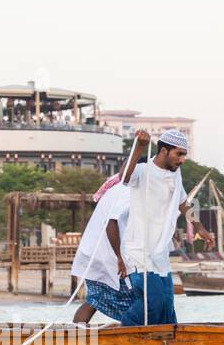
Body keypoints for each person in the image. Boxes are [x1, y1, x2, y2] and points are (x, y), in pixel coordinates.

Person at [115, 129, 191, 327]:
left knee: (166, 305)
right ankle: (125, 334)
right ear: (164, 151)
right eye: (179, 154)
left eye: (184, 155)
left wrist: (199, 227)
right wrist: (139, 147)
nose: (182, 160)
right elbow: (123, 178)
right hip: (138, 252)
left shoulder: (176, 175)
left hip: (160, 255)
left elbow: (184, 203)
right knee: (153, 302)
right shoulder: (143, 171)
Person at [71, 175, 134, 323]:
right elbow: (110, 223)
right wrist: (120, 257)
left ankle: (77, 335)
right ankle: (76, 336)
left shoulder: (117, 189)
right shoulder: (128, 191)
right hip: (104, 254)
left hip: (95, 253)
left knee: (95, 299)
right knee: (135, 299)